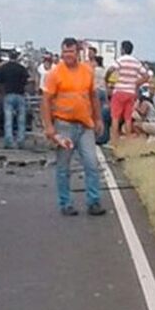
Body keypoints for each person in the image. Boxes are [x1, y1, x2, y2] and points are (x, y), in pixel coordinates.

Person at [41, 37, 106, 217]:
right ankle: (66, 203)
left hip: (85, 125)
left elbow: (93, 97)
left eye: (71, 52)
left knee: (91, 164)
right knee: (63, 167)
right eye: (64, 52)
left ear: (77, 53)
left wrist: (98, 119)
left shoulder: (87, 71)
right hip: (64, 126)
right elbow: (45, 101)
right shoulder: (55, 74)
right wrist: (49, 127)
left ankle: (93, 202)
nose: (67, 55)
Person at [105, 40, 150, 145]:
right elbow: (146, 76)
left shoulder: (120, 60)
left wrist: (107, 78)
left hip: (119, 91)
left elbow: (111, 69)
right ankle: (128, 141)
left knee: (115, 117)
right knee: (128, 118)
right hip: (131, 93)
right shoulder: (136, 62)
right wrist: (136, 83)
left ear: (123, 49)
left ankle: (114, 141)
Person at [0, 51, 30, 149]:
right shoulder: (21, 68)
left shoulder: (4, 68)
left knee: (8, 120)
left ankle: (9, 141)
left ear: (9, 57)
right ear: (17, 57)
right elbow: (26, 81)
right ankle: (21, 141)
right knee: (21, 120)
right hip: (20, 95)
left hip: (8, 95)